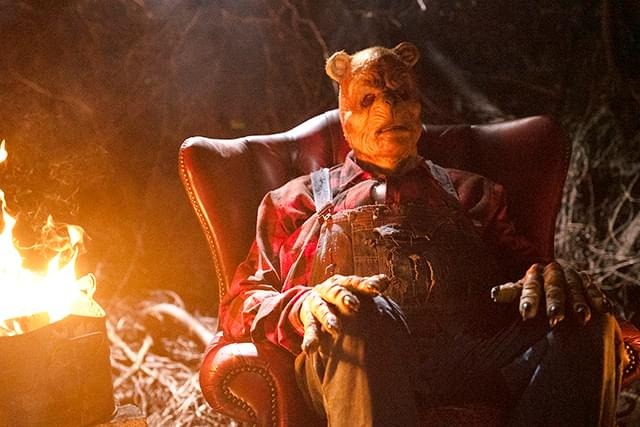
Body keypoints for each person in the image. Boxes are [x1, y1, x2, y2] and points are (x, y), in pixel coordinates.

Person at [219, 42, 624, 426]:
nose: (389, 106)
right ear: (345, 117)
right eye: (369, 99)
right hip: (352, 356)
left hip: (469, 354)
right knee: (359, 312)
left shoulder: (472, 193)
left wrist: (552, 278)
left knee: (588, 323)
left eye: (401, 94)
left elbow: (528, 277)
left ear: (418, 107)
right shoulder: (297, 201)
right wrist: (303, 306)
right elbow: (242, 301)